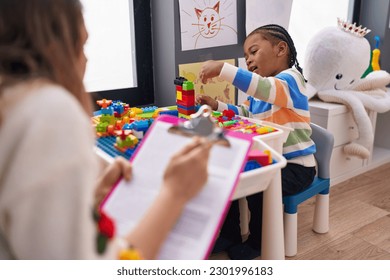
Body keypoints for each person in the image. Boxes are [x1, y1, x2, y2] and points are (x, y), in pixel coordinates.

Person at [0, 0, 212, 260]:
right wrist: (175, 193)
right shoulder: (48, 111)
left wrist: (90, 197)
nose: (86, 59)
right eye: (81, 46)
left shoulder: (14, 107)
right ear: (54, 45)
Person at [197, 24, 316, 259]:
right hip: (272, 159)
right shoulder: (261, 92)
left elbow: (266, 88)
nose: (249, 60)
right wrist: (217, 105)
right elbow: (244, 113)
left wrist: (223, 69)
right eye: (246, 57)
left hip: (297, 167)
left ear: (280, 49)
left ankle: (257, 243)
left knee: (256, 187)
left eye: (254, 52)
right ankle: (230, 233)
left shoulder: (290, 80)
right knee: (232, 177)